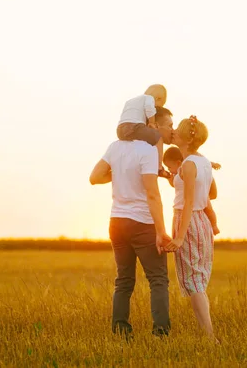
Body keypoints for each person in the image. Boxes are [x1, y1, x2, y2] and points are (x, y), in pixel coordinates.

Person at [90, 106, 176, 338]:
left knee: (124, 280)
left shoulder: (115, 147)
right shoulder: (147, 150)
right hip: (142, 223)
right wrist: (161, 231)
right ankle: (161, 333)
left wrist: (118, 173)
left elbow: (95, 177)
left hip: (117, 222)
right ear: (150, 124)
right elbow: (152, 194)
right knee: (158, 279)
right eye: (167, 125)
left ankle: (121, 331)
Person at [164, 115, 218, 341]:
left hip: (188, 221)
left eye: (177, 130)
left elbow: (187, 203)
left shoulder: (187, 165)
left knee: (192, 281)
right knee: (198, 279)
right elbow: (211, 194)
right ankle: (209, 333)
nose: (173, 131)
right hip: (202, 223)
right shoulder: (203, 161)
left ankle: (209, 336)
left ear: (185, 140)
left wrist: (179, 237)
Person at [162, 146, 220, 235]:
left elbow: (204, 164)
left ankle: (214, 225)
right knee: (207, 207)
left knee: (209, 209)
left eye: (169, 167)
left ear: (178, 163)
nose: (168, 169)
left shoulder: (188, 167)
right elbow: (174, 184)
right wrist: (167, 177)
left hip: (199, 194)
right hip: (191, 200)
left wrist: (213, 164)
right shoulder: (176, 175)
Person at [116, 84, 168, 176]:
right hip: (134, 126)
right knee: (158, 138)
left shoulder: (130, 101)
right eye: (159, 106)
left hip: (120, 129)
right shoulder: (149, 99)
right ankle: (159, 166)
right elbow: (149, 109)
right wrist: (152, 122)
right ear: (158, 98)